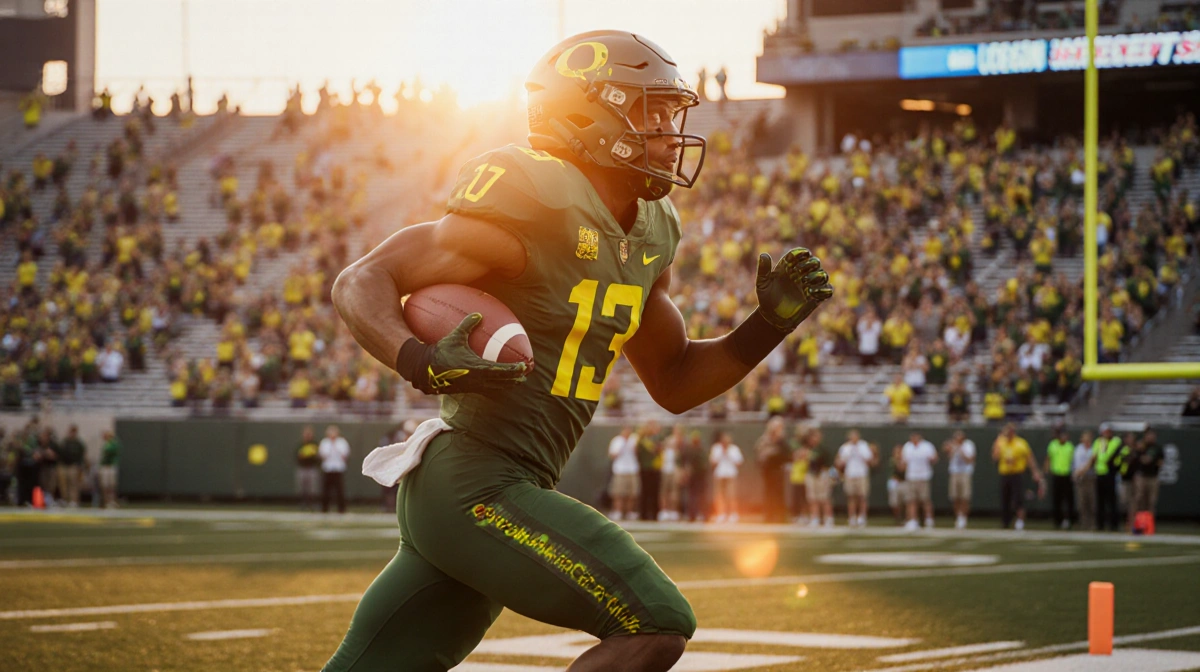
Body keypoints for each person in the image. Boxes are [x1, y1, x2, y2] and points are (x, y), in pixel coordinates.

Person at [325, 30, 832, 671]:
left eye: (671, 114)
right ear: (588, 115)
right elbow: (362, 280)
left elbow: (675, 381)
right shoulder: (535, 197)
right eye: (652, 113)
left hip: (503, 486)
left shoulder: (653, 232)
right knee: (655, 621)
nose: (670, 133)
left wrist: (764, 328)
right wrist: (417, 360)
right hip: (472, 483)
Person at [993, 423, 1044, 530]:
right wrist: (997, 442)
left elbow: (1029, 458)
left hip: (1017, 474)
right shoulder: (1001, 442)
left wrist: (1035, 472)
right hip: (1005, 474)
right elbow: (995, 457)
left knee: (1018, 499)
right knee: (1005, 499)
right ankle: (1005, 522)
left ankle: (1020, 520)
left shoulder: (1021, 443)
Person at [1080, 424, 1123, 532]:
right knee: (1100, 501)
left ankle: (1114, 524)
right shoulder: (1098, 442)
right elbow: (1094, 458)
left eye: (1108, 431)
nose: (1107, 433)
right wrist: (1084, 470)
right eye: (1105, 431)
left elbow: (1118, 454)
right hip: (1100, 473)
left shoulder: (1116, 441)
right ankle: (1100, 524)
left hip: (1111, 473)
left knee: (1112, 500)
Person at [835, 429, 876, 528]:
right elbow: (839, 462)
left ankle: (862, 517)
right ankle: (852, 517)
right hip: (850, 475)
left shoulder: (864, 445)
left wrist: (859, 452)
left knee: (862, 497)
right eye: (851, 436)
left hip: (862, 475)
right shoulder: (845, 447)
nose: (853, 438)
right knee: (851, 497)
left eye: (855, 436)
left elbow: (870, 460)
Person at [755, 417, 789, 523]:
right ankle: (768, 516)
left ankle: (780, 516)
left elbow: (786, 454)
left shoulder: (781, 441)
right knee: (768, 493)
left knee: (779, 493)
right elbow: (760, 453)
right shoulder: (765, 439)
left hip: (778, 469)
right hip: (768, 470)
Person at [901, 432, 937, 530]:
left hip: (923, 477)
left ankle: (929, 520)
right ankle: (913, 520)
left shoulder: (927, 446)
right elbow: (904, 462)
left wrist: (932, 459)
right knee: (911, 500)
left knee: (925, 500)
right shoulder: (907, 446)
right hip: (911, 477)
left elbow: (934, 458)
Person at [1044, 425, 1076, 529]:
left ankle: (1070, 520)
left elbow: (1073, 461)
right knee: (1057, 499)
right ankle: (1057, 520)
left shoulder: (1070, 446)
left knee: (1069, 500)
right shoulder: (1053, 445)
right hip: (1056, 475)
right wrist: (1046, 470)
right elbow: (1048, 458)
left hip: (1067, 475)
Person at [1132, 428, 1164, 526]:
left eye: (1152, 435)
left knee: (1151, 501)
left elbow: (1160, 462)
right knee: (1139, 499)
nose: (1150, 437)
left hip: (1153, 477)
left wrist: (1150, 461)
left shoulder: (1157, 448)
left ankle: (1149, 524)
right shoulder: (1140, 447)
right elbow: (1138, 460)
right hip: (1141, 476)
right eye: (1148, 435)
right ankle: (1136, 523)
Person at [607, 426, 640, 521]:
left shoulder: (634, 440)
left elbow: (638, 454)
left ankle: (629, 512)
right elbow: (612, 455)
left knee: (632, 494)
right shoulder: (617, 441)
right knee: (618, 493)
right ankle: (618, 512)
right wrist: (621, 448)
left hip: (632, 470)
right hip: (620, 470)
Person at [710, 431, 744, 523]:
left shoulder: (734, 449)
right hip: (719, 475)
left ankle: (733, 514)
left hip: (731, 475)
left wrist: (728, 453)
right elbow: (712, 462)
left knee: (731, 495)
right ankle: (721, 514)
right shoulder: (716, 448)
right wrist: (721, 453)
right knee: (719, 496)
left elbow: (739, 462)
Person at [945, 430, 976, 529]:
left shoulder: (969, 445)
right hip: (954, 473)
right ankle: (958, 516)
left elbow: (969, 460)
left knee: (965, 497)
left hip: (965, 473)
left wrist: (960, 450)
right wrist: (952, 449)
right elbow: (948, 455)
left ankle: (963, 517)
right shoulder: (952, 445)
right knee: (955, 496)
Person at [804, 428, 833, 528]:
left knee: (824, 498)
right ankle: (814, 518)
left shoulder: (823, 449)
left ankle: (828, 518)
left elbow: (828, 464)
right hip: (811, 474)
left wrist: (827, 475)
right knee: (812, 498)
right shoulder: (808, 449)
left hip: (821, 475)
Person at [318, 425, 350, 514]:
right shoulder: (324, 442)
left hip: (338, 468)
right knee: (326, 490)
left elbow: (345, 455)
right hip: (328, 468)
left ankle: (341, 509)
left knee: (339, 490)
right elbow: (323, 455)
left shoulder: (342, 442)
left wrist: (335, 446)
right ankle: (325, 508)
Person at [636, 420, 662, 522]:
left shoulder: (657, 439)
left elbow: (658, 450)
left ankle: (655, 514)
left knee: (655, 492)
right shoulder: (641, 440)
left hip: (655, 468)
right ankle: (644, 514)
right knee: (645, 492)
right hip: (645, 468)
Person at [658, 424, 684, 521]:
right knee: (664, 491)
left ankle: (673, 511)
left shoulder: (679, 448)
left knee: (674, 492)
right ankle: (664, 511)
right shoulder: (664, 446)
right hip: (665, 470)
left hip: (674, 471)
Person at [58, 425, 86, 508]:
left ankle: (73, 500)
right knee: (64, 484)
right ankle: (65, 499)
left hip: (73, 465)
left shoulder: (78, 443)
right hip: (64, 465)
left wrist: (80, 465)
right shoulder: (65, 442)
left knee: (73, 484)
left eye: (74, 432)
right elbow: (60, 453)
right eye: (71, 431)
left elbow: (81, 455)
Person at [1073, 430, 1096, 530]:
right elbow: (1076, 464)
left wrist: (1083, 470)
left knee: (1092, 501)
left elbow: (1092, 463)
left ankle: (1092, 523)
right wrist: (1078, 473)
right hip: (1081, 478)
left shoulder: (1093, 449)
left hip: (1090, 478)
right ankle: (1083, 523)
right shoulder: (1078, 450)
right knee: (1082, 501)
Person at [787, 426, 809, 524]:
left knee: (805, 497)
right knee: (796, 497)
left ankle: (804, 515)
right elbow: (794, 456)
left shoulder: (807, 444)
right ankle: (795, 515)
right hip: (796, 475)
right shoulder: (793, 443)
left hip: (805, 474)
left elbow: (806, 455)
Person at [296, 425, 321, 512]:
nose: (308, 436)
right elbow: (297, 456)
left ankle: (313, 504)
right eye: (306, 434)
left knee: (313, 488)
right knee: (302, 488)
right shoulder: (300, 445)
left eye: (309, 434)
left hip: (312, 468)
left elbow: (318, 456)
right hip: (302, 468)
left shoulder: (315, 444)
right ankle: (303, 503)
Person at [98, 430, 121, 508]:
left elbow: (110, 452)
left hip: (110, 466)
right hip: (104, 466)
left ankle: (112, 501)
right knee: (105, 485)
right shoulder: (105, 444)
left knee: (111, 485)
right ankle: (106, 501)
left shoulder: (113, 444)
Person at [887, 444, 906, 525]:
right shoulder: (892, 461)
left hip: (904, 483)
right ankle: (898, 519)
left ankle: (906, 518)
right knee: (894, 503)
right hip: (894, 484)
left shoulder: (906, 460)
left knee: (905, 502)